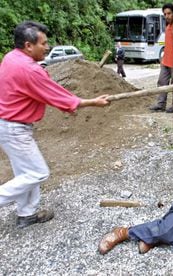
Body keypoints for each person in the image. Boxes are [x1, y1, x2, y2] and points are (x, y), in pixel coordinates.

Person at [0, 21, 110, 229]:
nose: (47, 47)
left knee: (26, 174)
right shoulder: (30, 70)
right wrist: (92, 102)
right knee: (38, 173)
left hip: (7, 124)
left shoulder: (10, 57)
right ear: (28, 45)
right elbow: (57, 96)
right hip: (14, 128)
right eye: (44, 43)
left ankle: (27, 214)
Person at [149, 3, 173, 113]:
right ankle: (161, 104)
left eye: (169, 13)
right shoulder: (168, 26)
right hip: (166, 61)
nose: (167, 16)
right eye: (165, 14)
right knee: (162, 82)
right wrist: (163, 58)